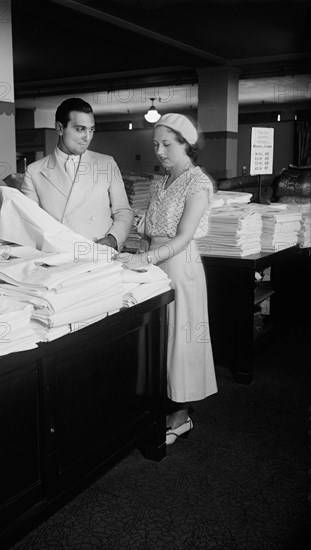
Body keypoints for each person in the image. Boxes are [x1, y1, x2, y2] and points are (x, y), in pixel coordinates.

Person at [118, 113, 218, 445]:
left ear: (186, 143)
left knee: (180, 339)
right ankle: (159, 405)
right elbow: (155, 226)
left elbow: (184, 237)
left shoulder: (197, 182)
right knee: (158, 338)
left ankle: (181, 415)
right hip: (156, 263)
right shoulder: (163, 180)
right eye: (155, 145)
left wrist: (143, 258)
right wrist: (136, 226)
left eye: (167, 144)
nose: (159, 151)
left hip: (179, 265)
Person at [20, 98, 133, 249]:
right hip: (57, 257)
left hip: (99, 254)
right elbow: (28, 221)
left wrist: (113, 239)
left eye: (91, 129)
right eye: (80, 129)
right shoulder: (34, 171)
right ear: (60, 128)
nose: (87, 137)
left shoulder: (107, 164)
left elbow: (123, 211)